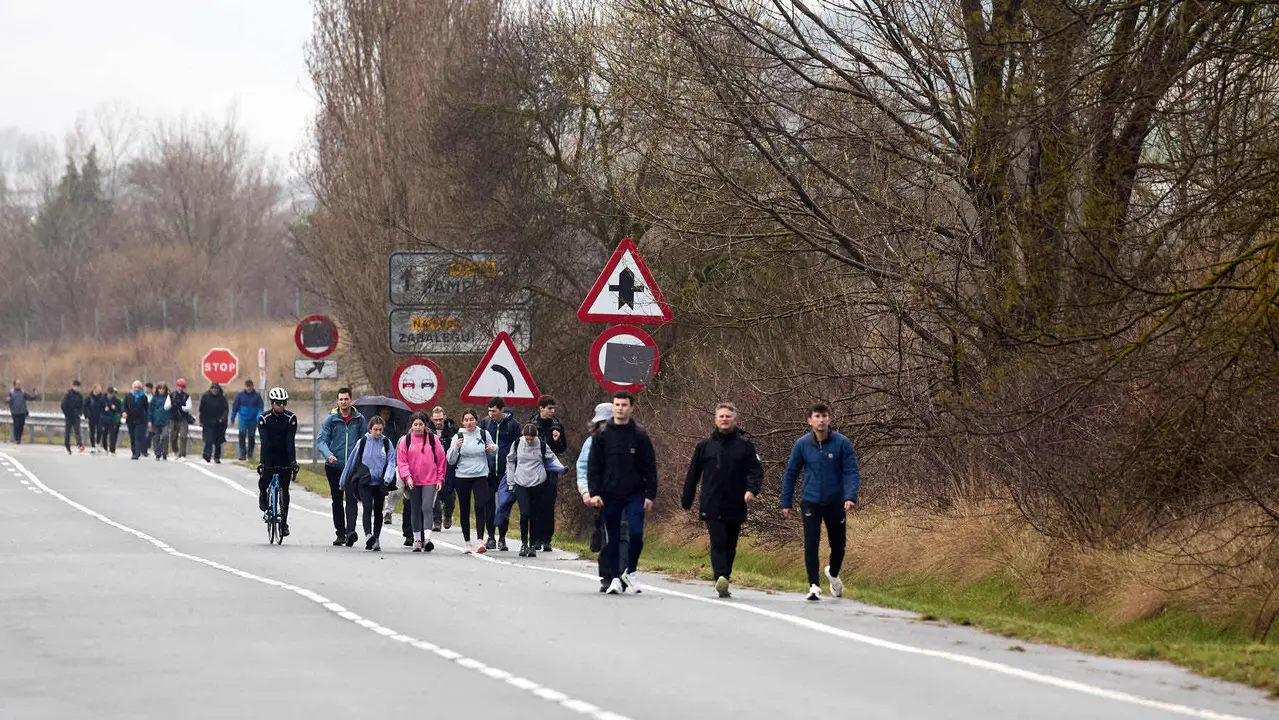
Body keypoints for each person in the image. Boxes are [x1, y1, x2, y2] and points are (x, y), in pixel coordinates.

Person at [682, 402, 764, 598]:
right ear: (715, 420)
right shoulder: (704, 446)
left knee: (731, 544)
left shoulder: (745, 445)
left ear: (735, 420)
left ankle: (724, 578)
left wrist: (751, 490)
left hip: (736, 502)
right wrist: (687, 499)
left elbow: (755, 471)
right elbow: (693, 474)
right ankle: (719, 575)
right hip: (711, 502)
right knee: (717, 541)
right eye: (721, 416)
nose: (725, 419)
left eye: (728, 416)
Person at [781, 402, 860, 602]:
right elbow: (791, 473)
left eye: (824, 416)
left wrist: (850, 496)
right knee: (811, 542)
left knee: (838, 544)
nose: (821, 420)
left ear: (829, 419)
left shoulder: (842, 443)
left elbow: (851, 471)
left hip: (835, 501)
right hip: (811, 501)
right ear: (810, 421)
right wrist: (786, 502)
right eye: (817, 416)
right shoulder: (802, 445)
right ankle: (814, 585)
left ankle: (833, 573)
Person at [586, 391, 658, 595]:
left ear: (631, 407)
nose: (620, 408)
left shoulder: (640, 435)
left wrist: (650, 494)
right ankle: (616, 577)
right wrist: (595, 493)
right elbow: (593, 466)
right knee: (614, 537)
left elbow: (650, 466)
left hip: (635, 493)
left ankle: (631, 571)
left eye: (624, 405)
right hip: (609, 494)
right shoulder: (601, 435)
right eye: (617, 405)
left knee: (635, 534)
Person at [339, 414, 398, 551]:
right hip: (365, 481)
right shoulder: (363, 442)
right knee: (367, 508)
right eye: (375, 429)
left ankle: (376, 538)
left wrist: (388, 477)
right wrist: (343, 481)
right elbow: (352, 462)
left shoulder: (386, 443)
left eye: (380, 430)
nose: (378, 432)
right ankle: (368, 535)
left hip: (380, 482)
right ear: (370, 429)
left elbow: (391, 461)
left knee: (378, 511)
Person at [317, 388, 367, 546]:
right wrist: (328, 454)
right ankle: (340, 533)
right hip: (334, 465)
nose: (343, 402)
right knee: (337, 500)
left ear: (351, 400)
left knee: (351, 499)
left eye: (346, 399)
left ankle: (351, 532)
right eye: (341, 400)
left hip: (352, 466)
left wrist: (361, 460)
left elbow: (364, 441)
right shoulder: (331, 419)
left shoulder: (359, 419)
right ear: (337, 401)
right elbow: (321, 440)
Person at [446, 409, 496, 553]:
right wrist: (456, 447)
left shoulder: (483, 434)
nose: (469, 422)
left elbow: (494, 447)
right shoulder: (458, 436)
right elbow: (450, 459)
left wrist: (493, 449)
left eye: (471, 419)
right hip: (462, 475)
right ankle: (467, 542)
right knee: (464, 508)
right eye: (466, 420)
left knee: (481, 505)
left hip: (480, 474)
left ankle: (480, 540)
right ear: (463, 422)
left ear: (476, 420)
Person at [397, 411, 447, 552]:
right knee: (415, 509)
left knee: (427, 507)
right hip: (413, 480)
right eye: (415, 424)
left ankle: (428, 539)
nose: (418, 427)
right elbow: (402, 461)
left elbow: (441, 460)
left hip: (430, 479)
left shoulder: (433, 439)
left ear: (425, 425)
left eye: (420, 424)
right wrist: (407, 476)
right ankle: (417, 539)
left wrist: (440, 478)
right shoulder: (406, 440)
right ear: (411, 425)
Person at [507, 424, 555, 558]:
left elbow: (552, 458)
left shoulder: (542, 445)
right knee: (525, 513)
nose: (529, 441)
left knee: (534, 514)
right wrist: (510, 481)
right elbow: (510, 461)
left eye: (531, 439)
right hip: (521, 482)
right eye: (527, 439)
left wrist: (561, 468)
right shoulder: (517, 444)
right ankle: (524, 543)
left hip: (537, 482)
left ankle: (532, 544)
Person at [480, 397, 521, 551]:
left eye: (494, 411)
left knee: (504, 505)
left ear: (502, 410)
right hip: (488, 472)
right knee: (488, 505)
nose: (491, 414)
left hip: (505, 472)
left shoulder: (513, 425)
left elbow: (518, 448)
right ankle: (490, 537)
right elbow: (479, 442)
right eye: (489, 411)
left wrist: (513, 468)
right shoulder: (485, 423)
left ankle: (502, 538)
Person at [257, 388, 298, 538]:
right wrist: (263, 462)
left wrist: (293, 462)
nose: (282, 405)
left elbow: (290, 441)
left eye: (284, 402)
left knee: (285, 489)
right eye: (279, 403)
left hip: (284, 455)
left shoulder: (290, 418)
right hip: (269, 454)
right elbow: (264, 441)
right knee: (263, 482)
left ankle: (284, 523)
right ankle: (263, 497)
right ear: (272, 403)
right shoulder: (264, 418)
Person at [528, 395, 567, 552]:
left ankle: (547, 539)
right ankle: (535, 538)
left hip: (550, 470)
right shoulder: (532, 424)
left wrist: (557, 440)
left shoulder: (557, 425)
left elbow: (563, 448)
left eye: (554, 408)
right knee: (535, 504)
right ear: (541, 408)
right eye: (549, 408)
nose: (552, 411)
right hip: (534, 469)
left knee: (549, 504)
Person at [576, 403, 613, 553]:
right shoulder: (591, 442)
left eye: (608, 421)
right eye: (602, 422)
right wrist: (585, 492)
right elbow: (583, 467)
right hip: (602, 493)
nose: (605, 425)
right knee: (607, 528)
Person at [430, 406, 459, 532]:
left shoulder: (453, 431)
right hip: (432, 466)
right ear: (431, 419)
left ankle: (448, 514)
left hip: (449, 465)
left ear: (445, 418)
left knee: (449, 494)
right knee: (434, 494)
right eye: (436, 420)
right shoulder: (428, 431)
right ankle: (437, 520)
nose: (438, 422)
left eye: (440, 419)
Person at [231, 380, 264, 460]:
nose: (249, 388)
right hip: (242, 420)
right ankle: (242, 454)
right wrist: (232, 418)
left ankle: (250, 454)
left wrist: (258, 417)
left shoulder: (257, 396)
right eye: (247, 386)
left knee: (251, 437)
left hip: (253, 420)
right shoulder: (240, 395)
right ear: (245, 386)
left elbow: (260, 408)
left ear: (252, 386)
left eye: (250, 386)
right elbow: (235, 408)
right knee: (242, 436)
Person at [199, 383, 230, 464]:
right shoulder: (205, 397)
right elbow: (201, 410)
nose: (215, 390)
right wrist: (201, 420)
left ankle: (217, 457)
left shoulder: (222, 399)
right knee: (208, 440)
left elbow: (226, 410)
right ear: (211, 389)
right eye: (213, 388)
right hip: (208, 422)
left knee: (218, 441)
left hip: (219, 424)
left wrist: (222, 418)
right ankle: (207, 455)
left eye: (216, 389)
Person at [167, 378, 193, 461]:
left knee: (183, 436)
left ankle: (182, 454)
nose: (180, 388)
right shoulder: (171, 395)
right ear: (176, 386)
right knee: (173, 436)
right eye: (179, 386)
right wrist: (172, 404)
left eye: (182, 386)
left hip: (183, 418)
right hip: (173, 419)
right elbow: (166, 407)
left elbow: (189, 407)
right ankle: (175, 451)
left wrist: (181, 407)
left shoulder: (186, 396)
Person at [122, 381, 149, 460]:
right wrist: (124, 412)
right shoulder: (128, 396)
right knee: (132, 436)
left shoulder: (144, 397)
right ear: (133, 388)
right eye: (135, 387)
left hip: (140, 420)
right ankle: (133, 451)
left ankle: (137, 453)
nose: (137, 389)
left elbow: (146, 408)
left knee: (137, 436)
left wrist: (145, 417)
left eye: (138, 387)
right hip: (130, 419)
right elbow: (124, 406)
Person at [61, 379, 86, 454]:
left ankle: (79, 445)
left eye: (79, 387)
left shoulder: (80, 395)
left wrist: (80, 413)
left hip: (76, 416)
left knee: (77, 431)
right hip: (69, 416)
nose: (78, 388)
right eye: (76, 387)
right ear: (73, 386)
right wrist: (67, 414)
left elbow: (82, 405)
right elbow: (63, 405)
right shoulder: (68, 394)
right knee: (67, 432)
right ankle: (67, 446)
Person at [6, 379, 35, 444]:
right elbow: (7, 400)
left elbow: (30, 398)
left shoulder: (23, 392)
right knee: (16, 425)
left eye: (20, 384)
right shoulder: (11, 392)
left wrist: (34, 395)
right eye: (17, 384)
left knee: (21, 425)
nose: (19, 385)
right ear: (14, 385)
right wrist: (7, 400)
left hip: (22, 412)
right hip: (14, 412)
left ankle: (19, 437)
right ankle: (17, 439)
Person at [148, 383, 172, 461]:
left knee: (165, 435)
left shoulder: (168, 398)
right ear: (157, 390)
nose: (161, 390)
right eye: (160, 389)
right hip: (156, 420)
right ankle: (157, 453)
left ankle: (164, 451)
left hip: (166, 420)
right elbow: (150, 410)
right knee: (156, 437)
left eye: (163, 389)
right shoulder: (154, 399)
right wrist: (149, 420)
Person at [100, 387, 122, 455]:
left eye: (111, 394)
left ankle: (112, 449)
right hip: (104, 419)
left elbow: (120, 410)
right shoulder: (102, 399)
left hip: (112, 420)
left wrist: (115, 408)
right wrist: (104, 409)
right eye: (109, 394)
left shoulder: (116, 401)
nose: (110, 395)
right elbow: (98, 408)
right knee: (104, 434)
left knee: (112, 435)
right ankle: (105, 447)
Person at [85, 384, 104, 453]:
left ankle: (98, 444)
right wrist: (86, 416)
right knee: (92, 432)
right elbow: (85, 407)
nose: (100, 391)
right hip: (91, 417)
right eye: (98, 390)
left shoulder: (102, 398)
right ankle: (93, 446)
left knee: (100, 430)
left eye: (100, 390)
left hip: (100, 417)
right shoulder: (89, 398)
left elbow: (104, 405)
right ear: (94, 390)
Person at [142, 382, 154, 456]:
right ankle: (142, 449)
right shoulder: (142, 395)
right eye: (146, 388)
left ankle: (145, 449)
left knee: (148, 434)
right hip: (141, 417)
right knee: (142, 434)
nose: (147, 389)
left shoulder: (152, 397)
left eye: (149, 388)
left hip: (149, 417)